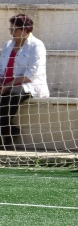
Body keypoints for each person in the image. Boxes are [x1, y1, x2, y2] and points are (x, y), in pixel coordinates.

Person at [0, 14, 50, 148]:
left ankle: (4, 134)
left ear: (26, 30)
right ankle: (10, 129)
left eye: (14, 30)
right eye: (10, 30)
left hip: (28, 84)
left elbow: (31, 74)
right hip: (6, 84)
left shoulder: (36, 45)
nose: (11, 33)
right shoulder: (8, 45)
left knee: (12, 94)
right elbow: (1, 70)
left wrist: (9, 85)